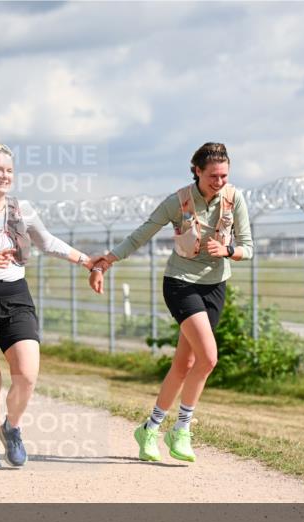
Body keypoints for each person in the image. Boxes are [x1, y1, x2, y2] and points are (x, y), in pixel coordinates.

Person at [91, 142, 253, 463]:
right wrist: (107, 260)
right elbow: (141, 234)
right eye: (213, 176)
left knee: (185, 364)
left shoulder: (234, 199)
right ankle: (181, 428)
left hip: (215, 286)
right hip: (180, 284)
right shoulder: (177, 202)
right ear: (197, 171)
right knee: (209, 358)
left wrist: (229, 250)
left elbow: (248, 247)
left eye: (224, 176)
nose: (219, 181)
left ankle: (149, 429)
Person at [0, 143, 97, 470]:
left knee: (27, 375)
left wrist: (86, 261)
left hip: (16, 297)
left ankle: (11, 428)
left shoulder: (23, 209)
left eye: (9, 170)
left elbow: (48, 242)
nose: (4, 175)